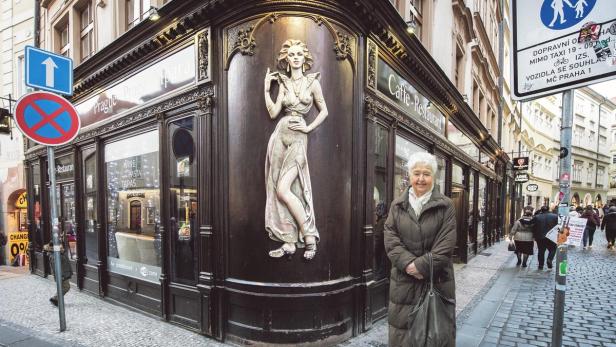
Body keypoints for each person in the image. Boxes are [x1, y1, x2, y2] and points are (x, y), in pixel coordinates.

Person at [263, 39, 328, 260]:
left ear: (305, 58)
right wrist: (266, 89)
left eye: (300, 53)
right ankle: (289, 240)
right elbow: (273, 113)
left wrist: (308, 127)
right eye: (292, 54)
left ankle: (309, 236)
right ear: (287, 60)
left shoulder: (313, 83)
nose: (296, 57)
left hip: (299, 137)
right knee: (276, 189)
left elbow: (324, 111)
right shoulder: (283, 83)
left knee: (285, 189)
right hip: (280, 134)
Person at [384, 152, 457, 346]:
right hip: (403, 285)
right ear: (409, 175)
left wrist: (421, 267)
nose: (421, 179)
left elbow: (445, 245)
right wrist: (408, 264)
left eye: (426, 173)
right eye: (417, 173)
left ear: (433, 176)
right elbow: (390, 239)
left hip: (437, 283)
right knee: (403, 337)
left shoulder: (446, 206)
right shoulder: (397, 206)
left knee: (435, 336)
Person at [43, 236, 73, 306]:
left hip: (63, 273)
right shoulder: (54, 254)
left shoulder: (58, 252)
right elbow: (56, 267)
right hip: (61, 274)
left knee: (63, 287)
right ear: (55, 246)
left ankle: (57, 300)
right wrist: (61, 275)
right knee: (66, 287)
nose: (61, 245)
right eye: (60, 244)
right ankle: (55, 298)